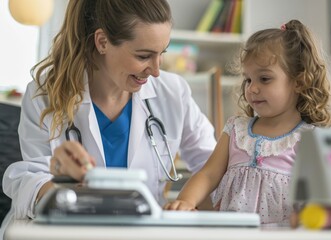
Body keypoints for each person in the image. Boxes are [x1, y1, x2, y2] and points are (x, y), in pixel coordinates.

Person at [1, 0, 216, 227]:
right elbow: (30, 180)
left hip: (147, 231)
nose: (155, 71)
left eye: (161, 53)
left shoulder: (173, 92)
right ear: (102, 41)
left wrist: (189, 201)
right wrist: (62, 182)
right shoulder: (45, 94)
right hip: (75, 230)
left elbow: (212, 166)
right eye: (144, 56)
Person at [164, 19, 331, 225]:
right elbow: (208, 174)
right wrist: (186, 201)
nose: (252, 88)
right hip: (231, 232)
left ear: (299, 82)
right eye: (248, 79)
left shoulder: (308, 139)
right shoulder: (236, 129)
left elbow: (319, 196)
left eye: (264, 79)